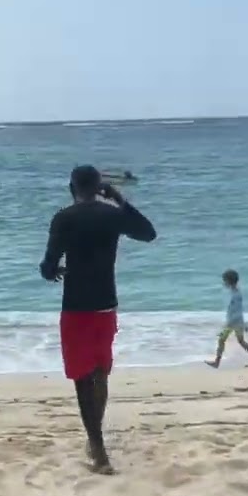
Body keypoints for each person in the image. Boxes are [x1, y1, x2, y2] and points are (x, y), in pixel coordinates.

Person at [40, 165, 157, 474]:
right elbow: (148, 233)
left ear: (71, 188)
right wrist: (120, 200)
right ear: (100, 187)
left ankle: (99, 450)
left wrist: (56, 272)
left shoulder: (63, 218)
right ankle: (96, 442)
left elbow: (48, 266)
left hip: (77, 306)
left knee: (82, 379)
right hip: (106, 304)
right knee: (100, 372)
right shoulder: (111, 215)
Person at [207, 269, 248, 368]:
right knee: (241, 341)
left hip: (234, 322)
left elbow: (235, 311)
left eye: (224, 280)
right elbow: (238, 310)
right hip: (237, 322)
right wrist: (243, 324)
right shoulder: (235, 292)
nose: (223, 283)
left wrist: (229, 324)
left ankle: (217, 362)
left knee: (222, 340)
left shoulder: (235, 295)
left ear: (228, 281)